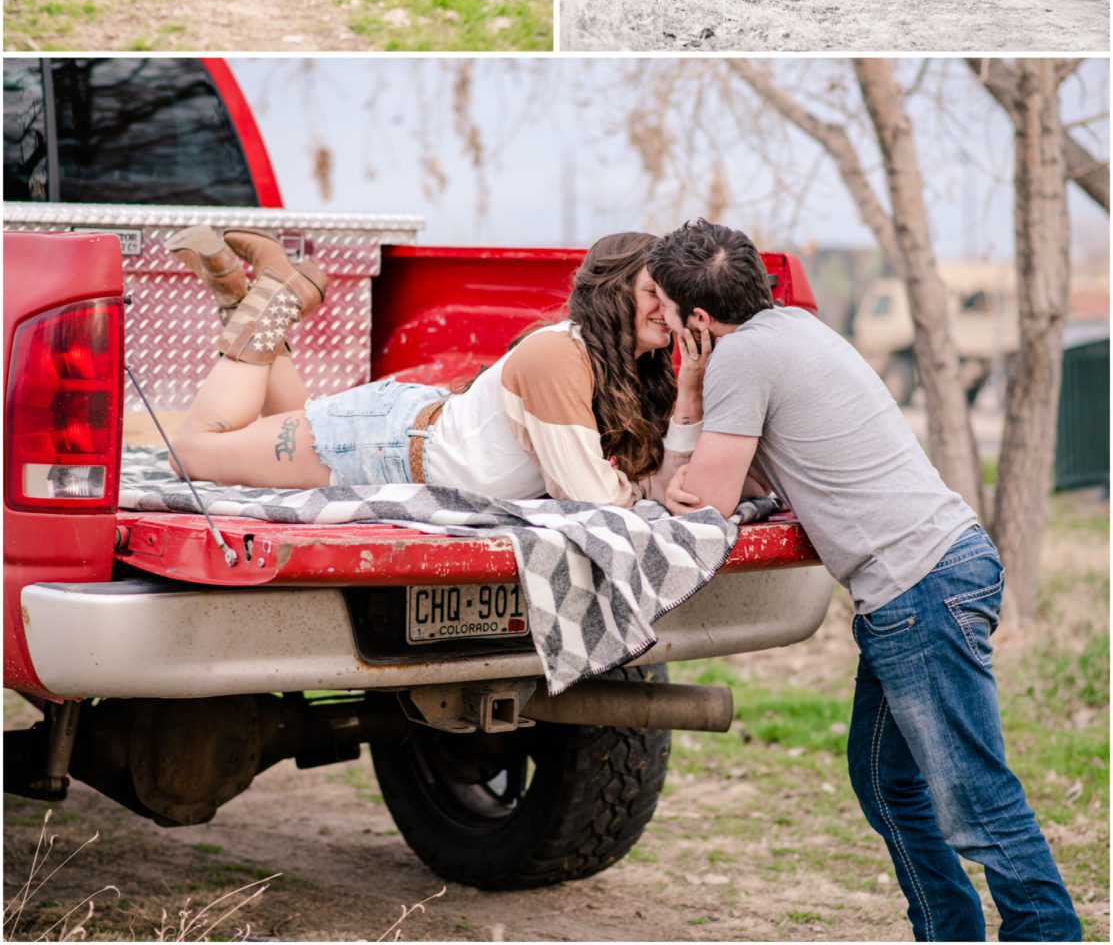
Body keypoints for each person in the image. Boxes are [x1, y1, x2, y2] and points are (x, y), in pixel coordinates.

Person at [647, 219, 1082, 945]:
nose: (657, 318)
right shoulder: (794, 331)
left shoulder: (740, 361)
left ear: (697, 318)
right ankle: (947, 930)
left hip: (918, 591)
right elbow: (760, 471)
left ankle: (1045, 935)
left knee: (974, 800)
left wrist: (688, 397)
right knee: (885, 780)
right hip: (937, 572)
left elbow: (703, 503)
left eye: (662, 305)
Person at [170, 227, 710, 501]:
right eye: (651, 292)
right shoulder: (559, 353)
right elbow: (594, 497)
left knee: (287, 419)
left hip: (399, 435)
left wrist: (687, 396)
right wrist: (646, 491)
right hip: (382, 445)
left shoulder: (642, 370)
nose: (669, 310)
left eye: (674, 296)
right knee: (192, 454)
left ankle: (246, 295)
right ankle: (273, 300)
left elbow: (657, 486)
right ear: (614, 291)